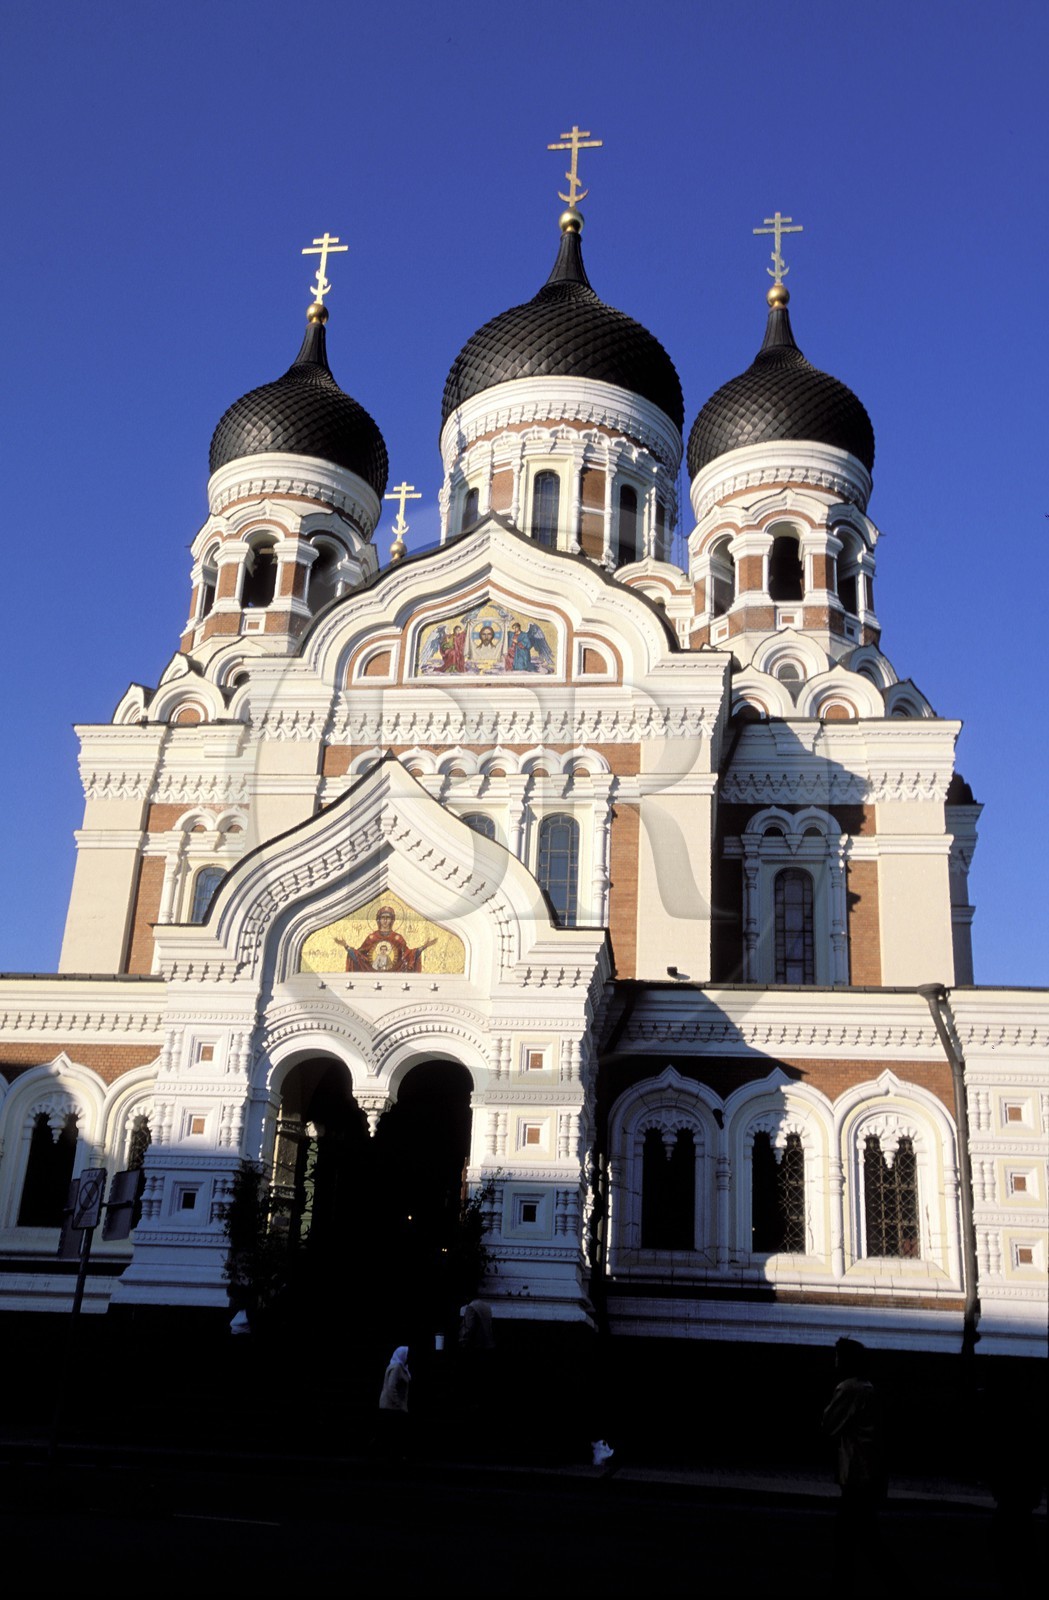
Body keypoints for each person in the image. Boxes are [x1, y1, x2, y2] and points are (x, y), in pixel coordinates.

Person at [823, 1337, 885, 1575]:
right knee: (862, 1537)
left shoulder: (848, 1389)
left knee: (854, 1537)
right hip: (869, 1470)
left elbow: (829, 1425)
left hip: (856, 1472)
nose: (835, 1361)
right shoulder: (868, 1388)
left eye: (838, 1357)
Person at [335, 907, 437, 973]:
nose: (385, 920)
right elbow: (360, 957)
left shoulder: (398, 938)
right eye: (382, 917)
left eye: (388, 918)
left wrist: (424, 946)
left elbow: (408, 956)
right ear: (378, 920)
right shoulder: (372, 937)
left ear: (392, 920)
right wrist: (346, 947)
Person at [377, 1345, 411, 1458]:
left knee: (393, 1434)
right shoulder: (396, 1367)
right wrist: (397, 1403)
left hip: (395, 1406)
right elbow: (391, 1387)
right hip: (392, 1407)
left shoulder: (402, 1367)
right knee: (393, 1434)